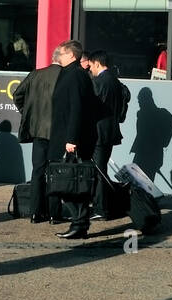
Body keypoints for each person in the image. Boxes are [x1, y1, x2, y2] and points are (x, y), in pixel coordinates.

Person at [49, 40, 100, 240]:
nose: (58, 55)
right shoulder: (70, 73)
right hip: (64, 137)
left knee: (71, 183)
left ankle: (79, 224)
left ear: (71, 55)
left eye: (61, 52)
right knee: (67, 182)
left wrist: (71, 139)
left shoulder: (75, 76)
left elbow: (76, 110)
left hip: (70, 141)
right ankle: (79, 223)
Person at [14, 47, 64, 224]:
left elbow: (17, 94)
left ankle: (35, 212)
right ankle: (53, 213)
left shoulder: (35, 74)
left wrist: (27, 113)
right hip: (58, 132)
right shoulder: (65, 76)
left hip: (37, 131)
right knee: (56, 172)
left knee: (37, 171)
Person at [88, 50, 129, 220]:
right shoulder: (115, 81)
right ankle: (102, 205)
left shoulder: (99, 82)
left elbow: (91, 108)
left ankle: (100, 208)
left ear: (97, 63)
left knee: (99, 170)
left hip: (98, 133)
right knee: (101, 168)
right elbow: (126, 96)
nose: (90, 70)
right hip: (110, 131)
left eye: (91, 66)